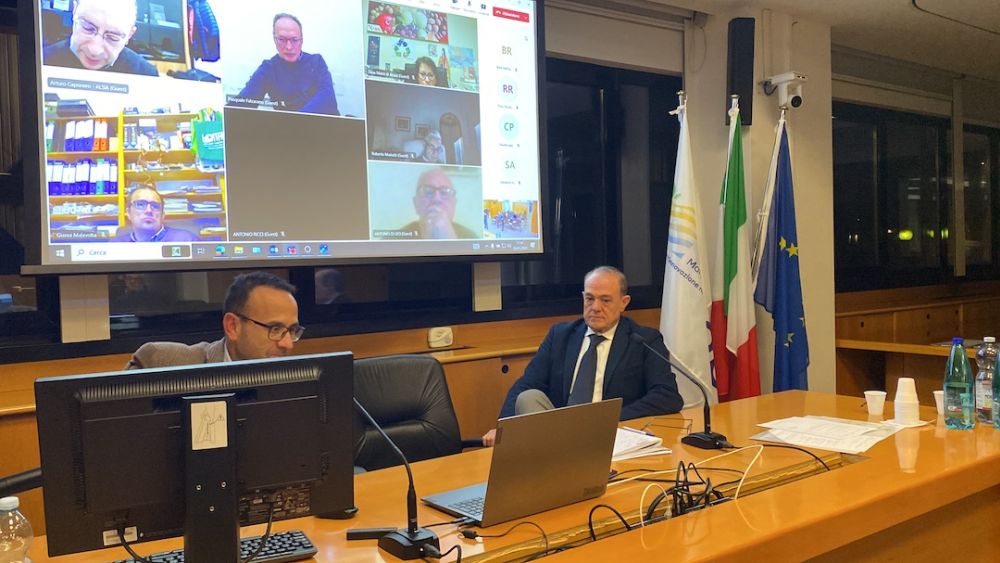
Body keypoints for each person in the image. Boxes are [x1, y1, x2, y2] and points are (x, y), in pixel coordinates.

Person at [482, 266, 683, 446]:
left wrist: (608, 417)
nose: (595, 307)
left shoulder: (643, 340)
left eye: (605, 300)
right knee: (529, 397)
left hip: (612, 432)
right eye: (589, 299)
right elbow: (525, 385)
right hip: (559, 432)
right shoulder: (561, 335)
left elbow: (667, 396)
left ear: (624, 302)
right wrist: (503, 429)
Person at [125, 271, 304, 369]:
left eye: (293, 331)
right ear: (233, 326)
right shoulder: (160, 361)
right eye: (275, 329)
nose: (288, 344)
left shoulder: (303, 386)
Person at [236, 13, 339, 115]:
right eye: (282, 40)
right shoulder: (268, 68)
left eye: (294, 40)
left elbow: (328, 99)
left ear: (301, 40)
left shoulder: (316, 62)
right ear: (274, 40)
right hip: (289, 129)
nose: (289, 47)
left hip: (321, 127)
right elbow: (241, 104)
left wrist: (294, 120)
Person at [43, 0, 159, 76]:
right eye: (88, 28)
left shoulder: (145, 75)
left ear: (129, 35)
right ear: (75, 11)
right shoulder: (41, 62)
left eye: (112, 38)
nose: (95, 50)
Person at [395, 168, 478, 239]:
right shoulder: (395, 239)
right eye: (427, 191)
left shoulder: (471, 237)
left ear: (454, 205)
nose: (436, 199)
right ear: (416, 204)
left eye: (445, 192)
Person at [115, 186, 197, 242]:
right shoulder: (115, 246)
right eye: (140, 204)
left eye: (155, 206)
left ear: (163, 215)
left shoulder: (187, 240)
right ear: (128, 213)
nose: (149, 210)